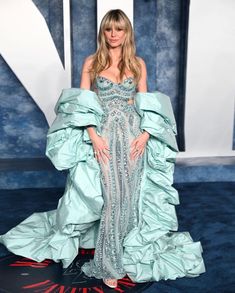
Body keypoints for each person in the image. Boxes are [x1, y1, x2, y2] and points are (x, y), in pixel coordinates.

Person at [0, 9, 206, 289]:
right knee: (110, 197)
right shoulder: (92, 62)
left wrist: (145, 135)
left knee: (129, 197)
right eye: (109, 29)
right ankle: (109, 262)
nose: (113, 35)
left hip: (133, 138)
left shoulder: (137, 64)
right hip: (104, 137)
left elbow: (147, 103)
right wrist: (93, 136)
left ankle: (126, 249)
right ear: (103, 32)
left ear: (126, 33)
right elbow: (83, 104)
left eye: (119, 30)